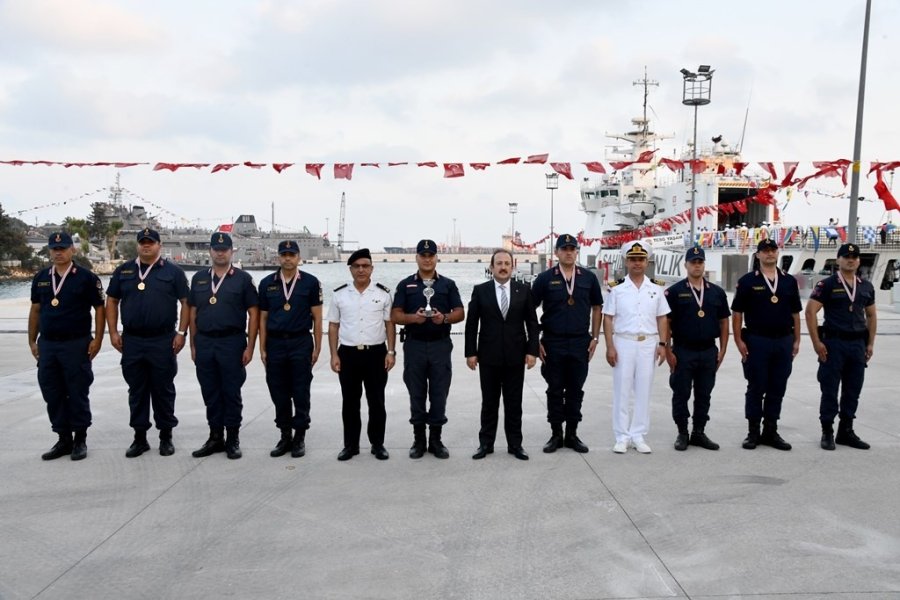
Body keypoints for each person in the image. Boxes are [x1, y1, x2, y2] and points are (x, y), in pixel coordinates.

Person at [106, 228, 190, 457]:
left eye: (150, 242)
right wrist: (113, 332)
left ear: (159, 246)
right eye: (142, 242)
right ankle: (139, 438)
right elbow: (111, 301)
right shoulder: (124, 271)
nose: (146, 246)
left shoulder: (173, 272)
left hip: (162, 340)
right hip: (132, 341)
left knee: (163, 390)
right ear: (137, 246)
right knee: (137, 391)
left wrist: (181, 332)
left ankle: (166, 437)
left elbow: (186, 302)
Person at [28, 232, 105, 461]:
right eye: (54, 248)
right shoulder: (41, 278)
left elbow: (99, 308)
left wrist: (98, 339)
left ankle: (80, 439)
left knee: (77, 390)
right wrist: (32, 340)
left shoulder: (86, 278)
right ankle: (63, 439)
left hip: (76, 344)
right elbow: (35, 310)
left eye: (62, 248)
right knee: (52, 391)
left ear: (73, 250)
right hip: (49, 345)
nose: (58, 252)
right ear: (50, 251)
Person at [391, 239, 465, 459]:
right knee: (416, 393)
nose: (427, 259)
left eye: (431, 255)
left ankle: (436, 439)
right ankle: (418, 440)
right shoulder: (406, 285)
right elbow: (395, 315)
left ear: (436, 258)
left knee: (439, 393)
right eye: (423, 255)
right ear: (417, 258)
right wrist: (414, 318)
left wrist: (445, 318)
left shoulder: (447, 284)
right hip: (414, 345)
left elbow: (460, 312)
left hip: (440, 346)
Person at [189, 232, 259, 460]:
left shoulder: (243, 279)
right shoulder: (199, 278)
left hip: (232, 341)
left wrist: (250, 347)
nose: (220, 252)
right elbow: (192, 312)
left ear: (231, 251)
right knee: (210, 391)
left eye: (225, 249)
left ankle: (233, 438)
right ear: (210, 251)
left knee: (231, 391)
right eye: (216, 248)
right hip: (205, 341)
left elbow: (254, 313)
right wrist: (192, 343)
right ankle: (215, 436)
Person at [531, 234, 603, 454]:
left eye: (572, 248)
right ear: (557, 253)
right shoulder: (544, 279)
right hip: (552, 342)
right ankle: (556, 434)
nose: (569, 252)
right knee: (554, 389)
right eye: (564, 249)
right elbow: (529, 310)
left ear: (576, 251)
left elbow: (597, 307)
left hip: (580, 342)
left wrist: (595, 337)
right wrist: (535, 341)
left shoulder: (588, 278)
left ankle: (572, 434)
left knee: (575, 389)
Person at [465, 249, 539, 461]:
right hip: (488, 357)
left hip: (516, 357)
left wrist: (532, 351)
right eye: (499, 263)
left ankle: (515, 445)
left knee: (514, 403)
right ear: (492, 267)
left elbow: (532, 324)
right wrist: (471, 352)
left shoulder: (523, 290)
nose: (503, 267)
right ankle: (485, 444)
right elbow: (471, 324)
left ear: (512, 267)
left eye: (507, 263)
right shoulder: (481, 291)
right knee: (489, 403)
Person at [732, 238, 802, 451]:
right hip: (757, 340)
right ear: (758, 255)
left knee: (777, 387)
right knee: (756, 386)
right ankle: (753, 432)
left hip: (783, 340)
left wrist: (797, 339)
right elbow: (737, 313)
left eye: (773, 250)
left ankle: (770, 430)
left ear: (778, 253)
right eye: (765, 251)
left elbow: (795, 313)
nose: (770, 254)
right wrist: (738, 340)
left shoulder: (789, 281)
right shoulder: (747, 281)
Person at [805, 243, 876, 450]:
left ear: (859, 261)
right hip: (834, 343)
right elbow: (810, 312)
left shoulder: (866, 286)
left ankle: (846, 430)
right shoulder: (826, 285)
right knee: (829, 389)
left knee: (853, 390)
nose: (850, 260)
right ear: (838, 260)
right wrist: (817, 342)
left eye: (854, 257)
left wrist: (870, 343)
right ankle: (827, 431)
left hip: (857, 344)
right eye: (846, 257)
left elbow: (871, 315)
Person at [327, 248, 395, 461]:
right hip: (348, 354)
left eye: (365, 266)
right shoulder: (339, 294)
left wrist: (391, 352)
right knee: (350, 402)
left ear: (372, 268)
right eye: (356, 266)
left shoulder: (383, 293)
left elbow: (389, 324)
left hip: (376, 354)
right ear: (350, 269)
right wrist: (333, 355)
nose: (361, 270)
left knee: (377, 402)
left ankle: (377, 444)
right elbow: (333, 326)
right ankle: (351, 445)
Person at [258, 240, 323, 459]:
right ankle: (285, 435)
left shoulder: (311, 283)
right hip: (275, 343)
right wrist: (262, 347)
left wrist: (318, 347)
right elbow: (263, 318)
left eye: (292, 254)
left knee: (301, 390)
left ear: (298, 258)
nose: (288, 258)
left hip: (300, 342)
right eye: (284, 254)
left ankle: (300, 437)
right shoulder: (267, 283)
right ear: (278, 257)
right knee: (278, 390)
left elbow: (317, 317)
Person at [603, 240, 669, 454]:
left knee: (643, 390)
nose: (637, 263)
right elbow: (608, 318)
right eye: (633, 259)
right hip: (624, 342)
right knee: (621, 391)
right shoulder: (617, 289)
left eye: (641, 259)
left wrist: (662, 344)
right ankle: (621, 436)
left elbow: (662, 318)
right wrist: (610, 346)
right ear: (626, 261)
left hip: (648, 343)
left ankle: (638, 434)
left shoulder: (657, 289)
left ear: (647, 262)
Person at [663, 246, 730, 451]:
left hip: (708, 351)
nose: (697, 265)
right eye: (693, 262)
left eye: (700, 262)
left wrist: (723, 350)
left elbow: (724, 323)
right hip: (683, 350)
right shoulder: (674, 292)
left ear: (703, 264)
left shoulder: (717, 292)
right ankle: (682, 432)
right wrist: (667, 351)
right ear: (686, 265)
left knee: (704, 394)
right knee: (681, 393)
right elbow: (666, 322)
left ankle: (699, 432)